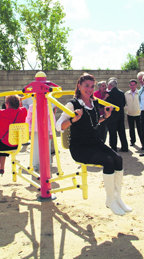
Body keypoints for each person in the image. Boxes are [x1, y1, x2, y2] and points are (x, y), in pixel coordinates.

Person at [56, 73, 131, 215]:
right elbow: (58, 126)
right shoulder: (72, 104)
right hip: (80, 147)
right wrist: (73, 120)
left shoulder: (94, 102)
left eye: (92, 86)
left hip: (95, 142)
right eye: (86, 86)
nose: (89, 89)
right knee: (108, 160)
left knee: (118, 159)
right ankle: (110, 200)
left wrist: (105, 117)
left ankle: (117, 198)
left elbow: (94, 122)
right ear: (79, 86)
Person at [0, 95, 27, 176]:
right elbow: (21, 108)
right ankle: (2, 168)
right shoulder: (23, 111)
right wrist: (20, 101)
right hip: (16, 144)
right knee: (0, 141)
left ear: (7, 104)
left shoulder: (3, 113)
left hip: (4, 144)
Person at [26, 103, 54, 172]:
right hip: (35, 131)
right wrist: (29, 129)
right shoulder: (32, 106)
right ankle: (35, 165)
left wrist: (51, 132)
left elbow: (52, 119)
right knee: (35, 148)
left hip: (46, 130)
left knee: (46, 148)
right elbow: (28, 118)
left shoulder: (48, 106)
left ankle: (47, 165)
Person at [105, 77, 128, 152]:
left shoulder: (109, 94)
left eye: (108, 85)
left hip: (112, 116)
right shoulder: (121, 93)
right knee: (122, 132)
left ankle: (113, 147)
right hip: (121, 115)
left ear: (111, 85)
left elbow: (106, 105)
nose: (107, 86)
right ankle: (125, 147)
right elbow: (124, 103)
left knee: (112, 132)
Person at [125, 79, 143, 147]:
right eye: (131, 85)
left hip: (139, 114)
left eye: (134, 85)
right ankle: (132, 141)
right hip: (130, 114)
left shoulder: (139, 93)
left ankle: (143, 143)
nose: (132, 86)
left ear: (136, 85)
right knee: (131, 129)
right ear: (129, 85)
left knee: (140, 130)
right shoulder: (126, 93)